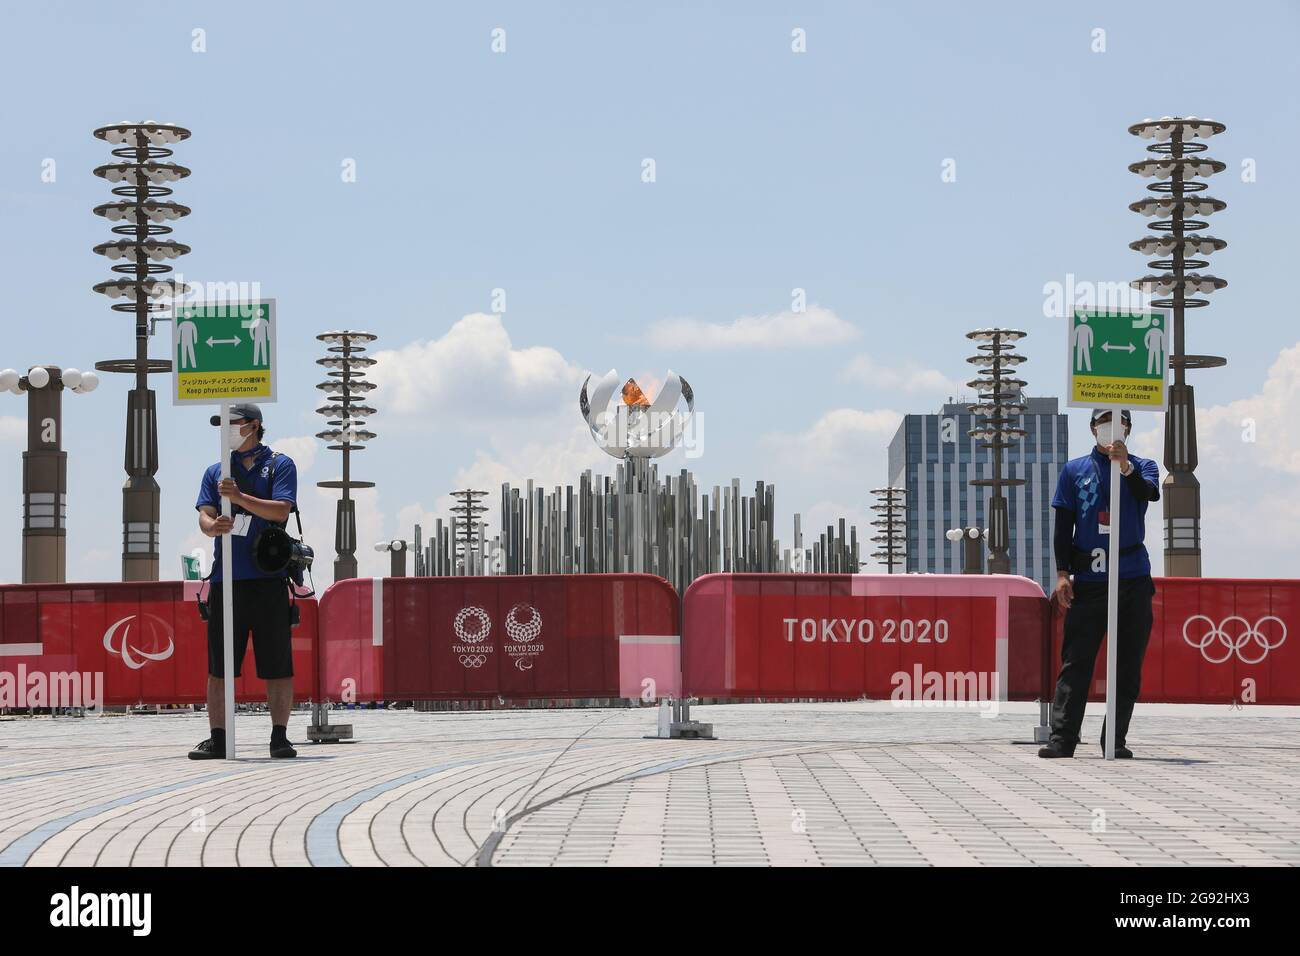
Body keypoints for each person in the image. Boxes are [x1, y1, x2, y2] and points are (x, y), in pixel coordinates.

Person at [1040, 408, 1159, 759]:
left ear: (1129, 428)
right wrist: (1062, 573)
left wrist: (1125, 466)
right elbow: (1064, 526)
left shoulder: (1144, 465)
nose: (1111, 427)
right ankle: (1063, 737)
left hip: (1133, 579)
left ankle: (1115, 739)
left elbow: (1148, 493)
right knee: (1077, 661)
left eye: (1119, 421)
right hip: (1090, 580)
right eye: (1104, 420)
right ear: (1092, 427)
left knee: (1128, 663)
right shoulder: (1074, 470)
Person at [188, 403, 300, 759]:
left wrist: (237, 498)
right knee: (219, 666)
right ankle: (218, 738)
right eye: (220, 426)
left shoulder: (280, 463)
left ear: (253, 426)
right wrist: (212, 527)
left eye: (231, 424)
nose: (225, 432)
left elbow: (281, 510)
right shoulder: (215, 471)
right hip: (226, 580)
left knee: (277, 664)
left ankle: (279, 736)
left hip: (268, 578)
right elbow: (204, 516)